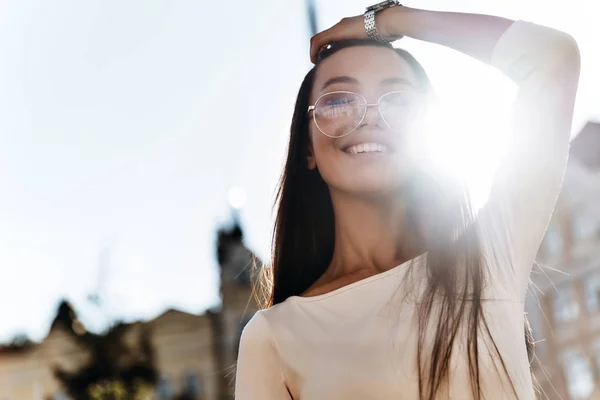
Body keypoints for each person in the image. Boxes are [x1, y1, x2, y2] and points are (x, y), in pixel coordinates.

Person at [235, 3, 580, 400]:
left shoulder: (488, 261)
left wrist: (387, 21)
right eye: (339, 101)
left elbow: (553, 59)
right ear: (307, 149)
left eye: (398, 100)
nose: (369, 117)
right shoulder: (274, 337)